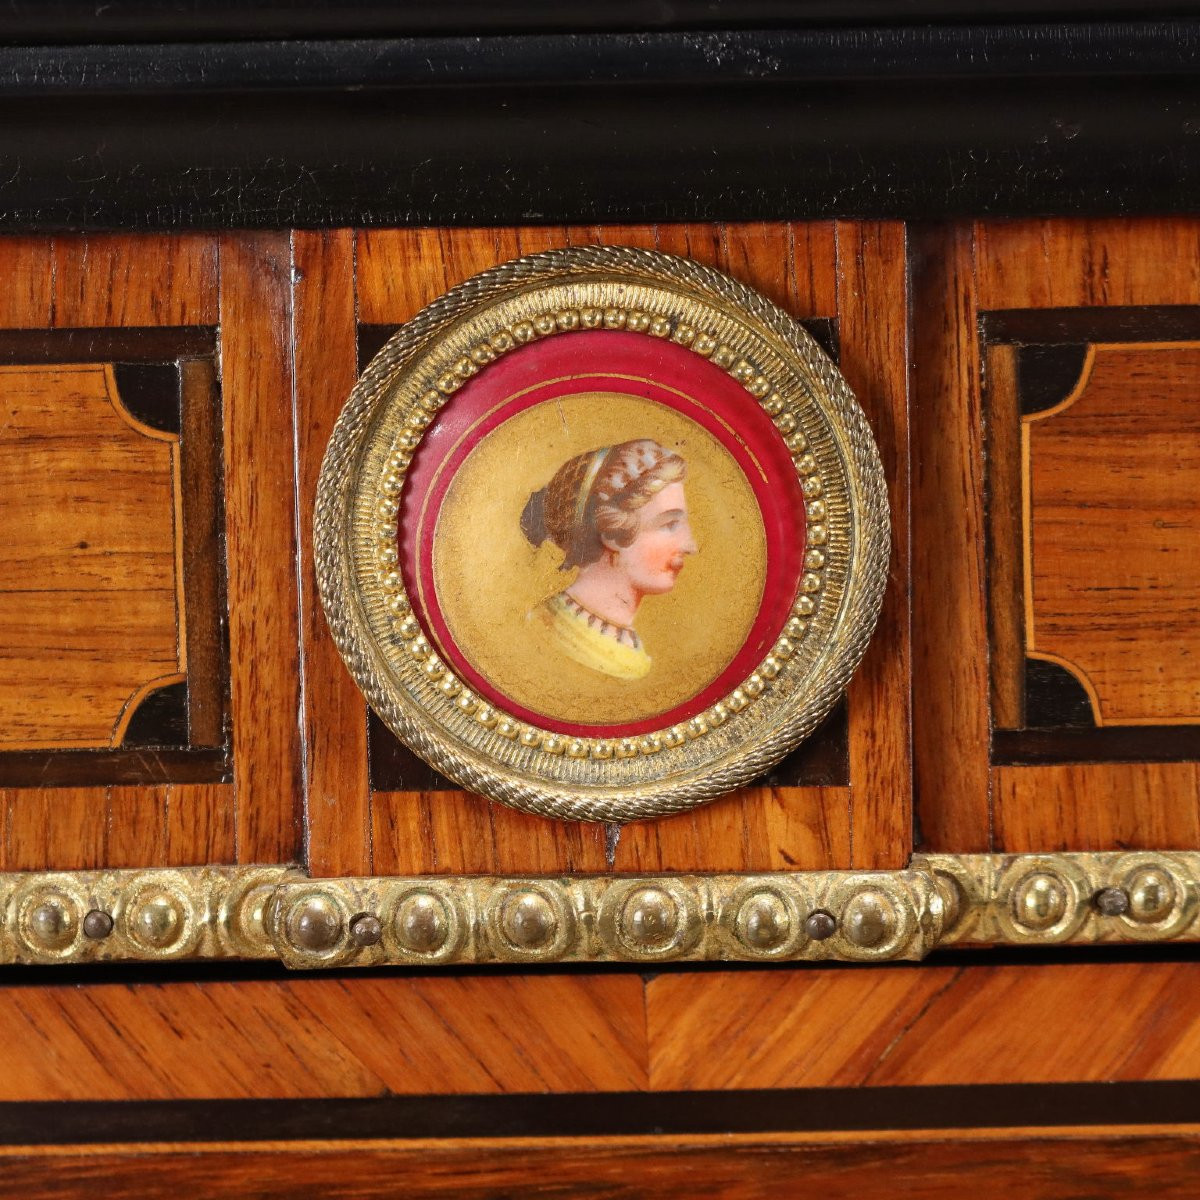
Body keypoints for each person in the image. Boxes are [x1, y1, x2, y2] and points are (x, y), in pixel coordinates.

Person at [520, 438, 698, 680]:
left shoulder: (626, 647)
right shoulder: (546, 630)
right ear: (612, 533)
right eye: (669, 524)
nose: (691, 546)